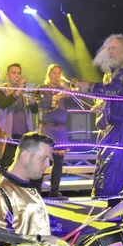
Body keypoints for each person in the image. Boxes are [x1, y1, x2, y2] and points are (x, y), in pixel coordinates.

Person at [78, 34, 123, 210]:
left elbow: (116, 90)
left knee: (116, 163)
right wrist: (103, 107)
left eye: (113, 48)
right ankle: (116, 204)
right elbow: (117, 97)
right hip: (116, 123)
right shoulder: (115, 70)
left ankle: (117, 204)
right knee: (112, 163)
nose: (110, 51)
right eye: (108, 48)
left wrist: (89, 87)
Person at [0, 132, 58, 246]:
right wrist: (39, 239)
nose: (48, 165)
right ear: (25, 155)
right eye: (43, 158)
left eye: (50, 160)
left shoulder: (26, 185)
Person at [31, 64, 71, 198]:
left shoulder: (63, 89)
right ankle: (36, 191)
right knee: (41, 159)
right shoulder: (42, 88)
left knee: (59, 162)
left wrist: (69, 91)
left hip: (60, 128)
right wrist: (57, 97)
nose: (57, 76)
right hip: (46, 127)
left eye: (59, 73)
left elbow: (75, 104)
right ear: (48, 75)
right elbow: (41, 105)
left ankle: (54, 190)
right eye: (54, 73)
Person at [0, 63, 38, 172]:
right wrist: (18, 91)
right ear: (7, 75)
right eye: (14, 73)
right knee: (6, 166)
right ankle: (1, 188)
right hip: (5, 134)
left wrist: (30, 98)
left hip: (23, 135)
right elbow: (3, 103)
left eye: (19, 73)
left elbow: (35, 110)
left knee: (23, 168)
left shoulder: (24, 91)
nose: (17, 76)